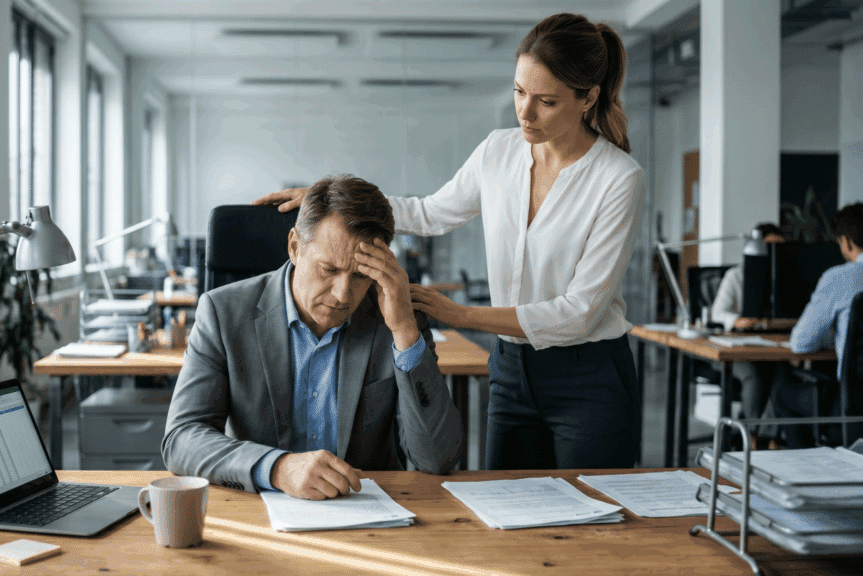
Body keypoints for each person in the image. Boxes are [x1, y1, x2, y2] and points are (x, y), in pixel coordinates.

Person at [255, 13, 643, 470]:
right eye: (519, 92)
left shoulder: (618, 178)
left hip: (589, 376)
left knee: (592, 527)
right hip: (512, 371)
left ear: (588, 98)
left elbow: (581, 313)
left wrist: (462, 316)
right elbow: (431, 212)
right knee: (508, 514)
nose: (525, 112)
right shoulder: (499, 151)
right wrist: (329, 203)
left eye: (546, 101)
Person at [163, 174, 463, 500]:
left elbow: (437, 459)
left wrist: (405, 332)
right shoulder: (224, 313)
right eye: (329, 270)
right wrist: (277, 468)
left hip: (369, 514)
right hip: (260, 512)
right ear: (295, 247)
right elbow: (182, 438)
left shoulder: (396, 319)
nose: (343, 294)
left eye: (361, 275)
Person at [769, 203, 863, 448]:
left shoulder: (840, 277)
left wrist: (834, 335)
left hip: (853, 407)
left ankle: (809, 475)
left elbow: (801, 342)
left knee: (782, 395)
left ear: (846, 241)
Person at [709, 222, 792, 449]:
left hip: (769, 347)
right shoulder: (736, 275)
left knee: (784, 375)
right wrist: (736, 321)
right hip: (734, 350)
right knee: (754, 375)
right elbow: (718, 313)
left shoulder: (786, 279)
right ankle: (752, 438)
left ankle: (770, 436)